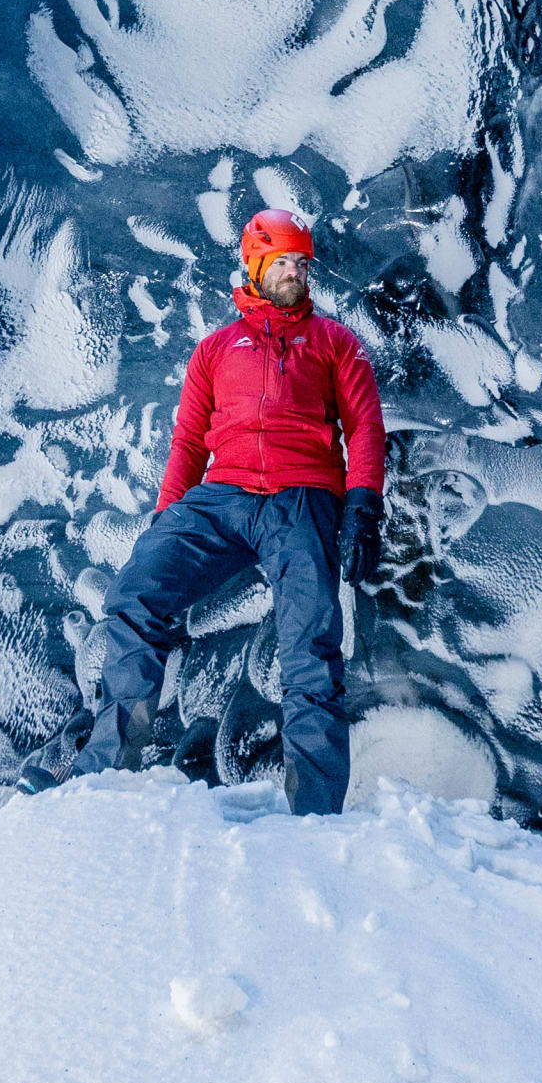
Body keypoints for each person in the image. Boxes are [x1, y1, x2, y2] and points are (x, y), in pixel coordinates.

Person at [67, 208, 386, 815]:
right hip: (224, 495)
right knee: (136, 590)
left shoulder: (335, 343)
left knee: (310, 644)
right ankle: (104, 769)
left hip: (303, 497)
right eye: (282, 263)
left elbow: (365, 428)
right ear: (254, 265)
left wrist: (363, 507)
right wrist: (167, 520)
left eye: (301, 263)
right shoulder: (215, 349)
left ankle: (315, 814)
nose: (294, 273)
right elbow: (188, 442)